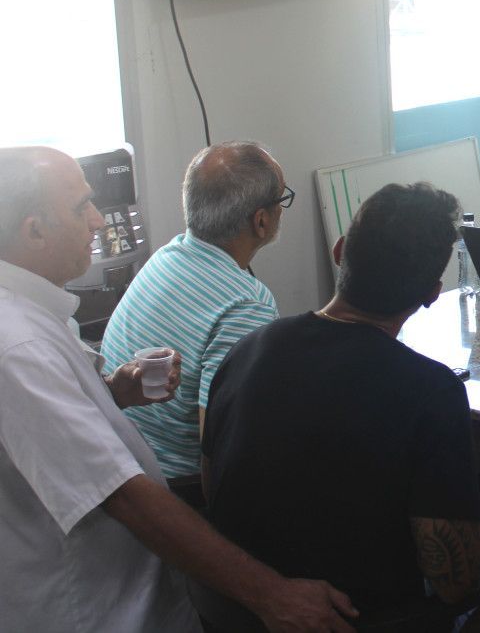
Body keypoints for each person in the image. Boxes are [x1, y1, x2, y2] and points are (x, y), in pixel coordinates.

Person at [0, 146, 356, 631]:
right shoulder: (19, 347)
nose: (99, 221)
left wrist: (115, 391)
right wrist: (272, 595)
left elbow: (53, 424)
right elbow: (131, 493)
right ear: (34, 231)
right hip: (98, 604)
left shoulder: (162, 258)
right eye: (82, 207)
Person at [203, 182, 480, 620]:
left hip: (239, 611)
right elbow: (456, 582)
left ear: (339, 252)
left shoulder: (247, 350)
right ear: (432, 294)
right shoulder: (432, 392)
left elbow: (213, 487)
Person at [102, 141, 285, 481]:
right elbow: (220, 448)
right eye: (282, 200)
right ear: (261, 221)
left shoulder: (165, 256)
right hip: (173, 485)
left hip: (122, 457)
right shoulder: (247, 305)